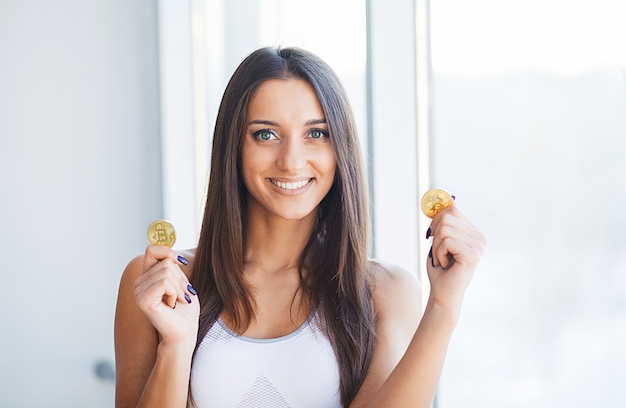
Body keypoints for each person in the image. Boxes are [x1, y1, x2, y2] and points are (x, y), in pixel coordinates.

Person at [114, 46, 486, 408]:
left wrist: (443, 305)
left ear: (340, 148)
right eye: (266, 134)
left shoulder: (385, 292)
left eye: (316, 133)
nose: (292, 161)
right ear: (233, 146)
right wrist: (176, 347)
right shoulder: (162, 283)